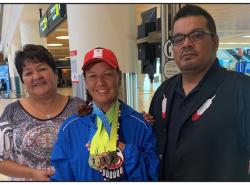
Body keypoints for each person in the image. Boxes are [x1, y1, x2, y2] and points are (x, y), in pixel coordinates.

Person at [149, 4, 250, 181]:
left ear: (215, 41)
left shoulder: (241, 90)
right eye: (179, 38)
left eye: (196, 35)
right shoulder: (163, 92)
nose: (186, 43)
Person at [50, 47, 159, 181]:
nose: (100, 82)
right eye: (92, 76)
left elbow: (152, 174)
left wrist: (122, 148)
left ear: (118, 76)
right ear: (85, 81)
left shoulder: (141, 125)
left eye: (107, 74)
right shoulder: (70, 128)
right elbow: (62, 178)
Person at [0, 44, 83, 181]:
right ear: (22, 80)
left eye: (42, 69)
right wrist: (32, 173)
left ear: (56, 74)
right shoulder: (12, 112)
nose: (36, 76)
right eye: (28, 73)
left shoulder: (78, 107)